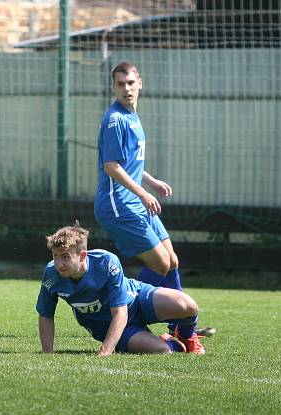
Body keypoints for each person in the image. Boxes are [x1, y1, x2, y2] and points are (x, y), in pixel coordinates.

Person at [93, 61, 213, 336]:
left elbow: (129, 163)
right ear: (113, 87)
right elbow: (111, 166)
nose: (126, 88)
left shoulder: (133, 116)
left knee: (171, 261)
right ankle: (121, 306)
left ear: (140, 83)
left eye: (130, 83)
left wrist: (151, 180)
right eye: (120, 84)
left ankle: (181, 325)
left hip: (136, 200)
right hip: (118, 206)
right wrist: (144, 192)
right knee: (159, 264)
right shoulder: (115, 120)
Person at [36, 224, 206, 355]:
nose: (59, 264)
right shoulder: (51, 274)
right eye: (55, 256)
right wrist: (48, 354)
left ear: (82, 256)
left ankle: (187, 336)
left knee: (188, 305)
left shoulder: (106, 262)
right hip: (112, 327)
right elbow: (45, 314)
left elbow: (120, 312)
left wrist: (105, 352)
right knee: (163, 351)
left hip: (136, 300)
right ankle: (172, 343)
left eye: (65, 257)